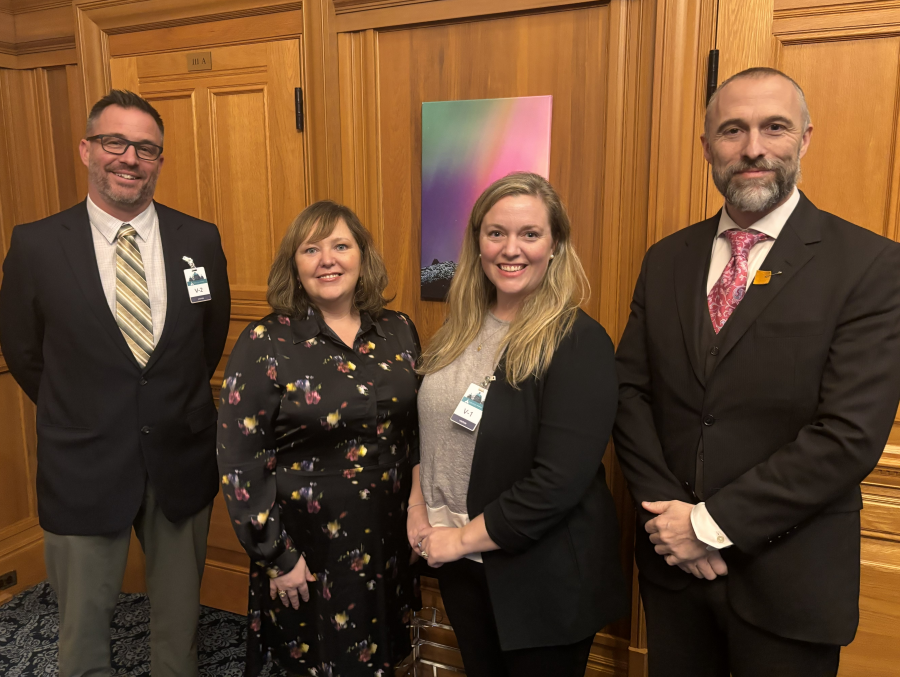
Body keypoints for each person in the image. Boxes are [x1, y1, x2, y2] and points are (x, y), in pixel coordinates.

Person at [613, 67, 900, 677]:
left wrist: (708, 526)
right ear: (707, 146)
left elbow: (849, 435)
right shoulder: (667, 258)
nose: (752, 149)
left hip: (789, 584)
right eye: (732, 130)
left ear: (805, 138)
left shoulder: (872, 266)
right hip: (673, 576)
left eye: (774, 128)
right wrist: (671, 520)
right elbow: (630, 392)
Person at [0, 90, 230, 677]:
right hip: (82, 460)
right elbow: (24, 353)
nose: (129, 157)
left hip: (178, 457)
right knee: (81, 630)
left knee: (179, 626)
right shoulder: (36, 245)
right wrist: (83, 407)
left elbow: (206, 341)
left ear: (159, 160)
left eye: (146, 148)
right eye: (114, 142)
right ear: (87, 149)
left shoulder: (199, 240)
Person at [410, 172, 628, 677]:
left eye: (530, 234)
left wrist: (458, 540)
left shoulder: (577, 341)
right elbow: (428, 433)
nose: (511, 249)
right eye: (495, 233)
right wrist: (417, 509)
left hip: (540, 577)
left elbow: (557, 483)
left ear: (555, 246)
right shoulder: (457, 328)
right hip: (461, 566)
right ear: (477, 244)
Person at [216, 200, 421, 677]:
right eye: (311, 249)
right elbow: (240, 459)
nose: (327, 259)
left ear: (362, 257)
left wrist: (419, 509)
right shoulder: (265, 342)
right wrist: (276, 555)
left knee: (383, 657)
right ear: (295, 264)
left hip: (389, 535)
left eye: (340, 246)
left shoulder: (398, 329)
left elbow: (414, 433)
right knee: (315, 660)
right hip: (307, 547)